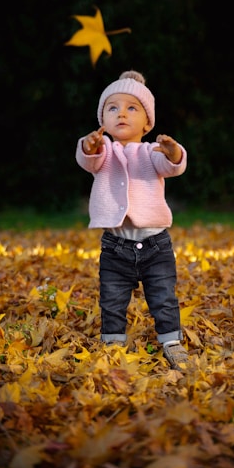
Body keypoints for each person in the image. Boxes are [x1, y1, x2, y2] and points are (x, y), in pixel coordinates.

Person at [75, 70, 188, 370]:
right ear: (103, 120)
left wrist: (173, 151)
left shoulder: (151, 152)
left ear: (147, 122)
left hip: (155, 245)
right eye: (113, 108)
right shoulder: (104, 151)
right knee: (111, 298)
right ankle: (113, 343)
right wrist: (89, 146)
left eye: (131, 108)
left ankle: (171, 340)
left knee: (163, 296)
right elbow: (89, 159)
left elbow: (172, 166)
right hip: (115, 247)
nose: (121, 114)